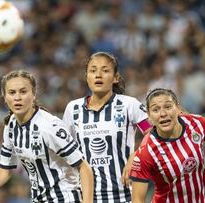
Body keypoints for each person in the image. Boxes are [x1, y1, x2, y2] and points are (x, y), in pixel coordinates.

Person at [0, 70, 94, 203]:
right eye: (12, 92)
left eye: (23, 91)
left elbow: (84, 167)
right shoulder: (11, 126)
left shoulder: (49, 127)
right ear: (4, 97)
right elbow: (5, 170)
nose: (17, 97)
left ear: (33, 94)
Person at [62, 52, 152, 202]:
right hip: (87, 197)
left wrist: (135, 156)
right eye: (93, 70)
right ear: (86, 77)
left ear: (116, 77)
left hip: (125, 196)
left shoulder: (129, 104)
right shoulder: (73, 109)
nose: (98, 75)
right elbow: (65, 150)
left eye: (105, 70)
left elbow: (152, 132)